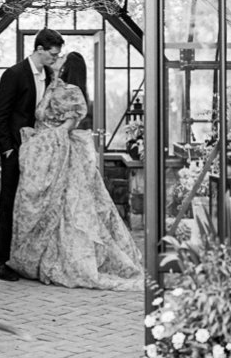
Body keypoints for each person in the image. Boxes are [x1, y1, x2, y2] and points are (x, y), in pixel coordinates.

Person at [9, 51, 144, 291]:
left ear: (68, 66)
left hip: (58, 151)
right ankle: (44, 257)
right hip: (46, 150)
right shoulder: (54, 85)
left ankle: (66, 260)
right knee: (55, 206)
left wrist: (44, 143)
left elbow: (67, 125)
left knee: (69, 206)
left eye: (61, 57)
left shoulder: (70, 90)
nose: (57, 57)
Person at [0, 28, 64, 282]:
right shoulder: (13, 74)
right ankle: (1, 262)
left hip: (39, 152)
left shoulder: (50, 75)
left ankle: (26, 260)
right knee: (9, 204)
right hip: (16, 150)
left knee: (32, 205)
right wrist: (8, 150)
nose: (55, 59)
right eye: (52, 55)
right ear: (40, 50)